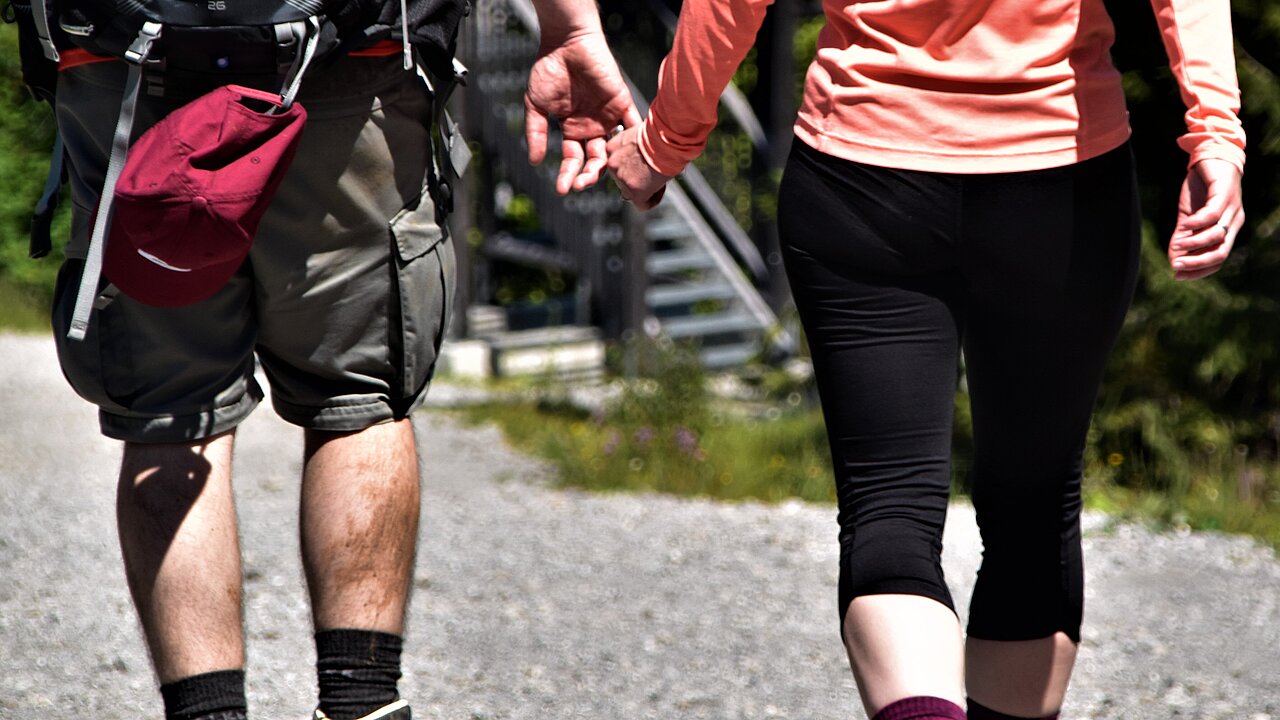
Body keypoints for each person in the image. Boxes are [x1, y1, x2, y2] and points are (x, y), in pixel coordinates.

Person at [608, 1, 1244, 719]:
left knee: (890, 511)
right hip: (1061, 178)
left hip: (864, 172)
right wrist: (1216, 136)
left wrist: (666, 139)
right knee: (1034, 509)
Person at [44, 0, 636, 719]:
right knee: (358, 396)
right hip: (349, 61)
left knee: (171, 414)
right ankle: (361, 706)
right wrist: (570, 26)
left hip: (126, 57)